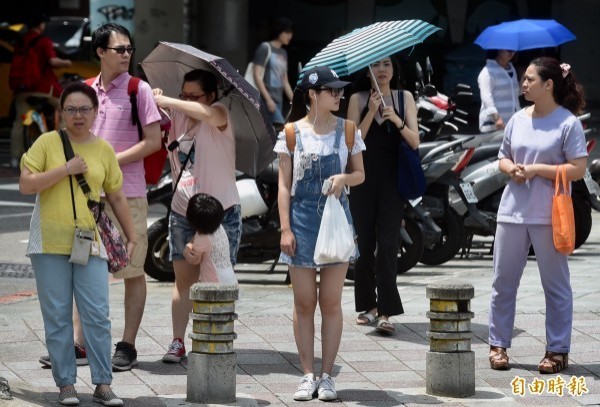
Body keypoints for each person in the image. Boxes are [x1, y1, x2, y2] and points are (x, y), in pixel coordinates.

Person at [19, 82, 135, 406]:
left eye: (85, 109)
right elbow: (26, 185)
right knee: (56, 316)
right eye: (71, 109)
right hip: (48, 243)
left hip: (90, 241)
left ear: (96, 112)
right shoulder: (46, 142)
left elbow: (116, 195)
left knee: (97, 314)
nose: (78, 115)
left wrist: (133, 234)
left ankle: (103, 383)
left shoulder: (104, 150)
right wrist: (65, 169)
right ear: (61, 113)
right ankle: (65, 384)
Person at [488, 57, 587, 374]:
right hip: (511, 212)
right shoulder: (517, 119)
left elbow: (578, 169)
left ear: (549, 85)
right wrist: (512, 169)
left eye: (530, 79)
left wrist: (535, 170)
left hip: (550, 216)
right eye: (524, 78)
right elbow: (503, 157)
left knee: (555, 286)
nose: (523, 83)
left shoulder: (568, 123)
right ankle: (498, 344)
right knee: (503, 283)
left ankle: (557, 350)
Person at [276, 66, 365, 401]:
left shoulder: (349, 130)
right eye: (332, 91)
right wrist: (285, 228)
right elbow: (284, 186)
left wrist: (343, 179)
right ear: (312, 94)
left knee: (330, 302)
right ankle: (307, 375)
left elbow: (360, 175)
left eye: (340, 91)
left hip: (335, 220)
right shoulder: (291, 133)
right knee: (303, 303)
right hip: (300, 220)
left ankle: (327, 376)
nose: (339, 96)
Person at [85, 23, 162, 371]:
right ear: (100, 52)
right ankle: (79, 343)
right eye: (120, 50)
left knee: (132, 270)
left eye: (130, 49)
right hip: (86, 198)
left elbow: (153, 142)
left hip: (127, 195)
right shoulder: (83, 91)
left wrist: (109, 162)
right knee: (82, 268)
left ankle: (127, 345)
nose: (127, 55)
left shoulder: (138, 89)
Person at [152, 68, 241, 363]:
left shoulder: (219, 113)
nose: (186, 99)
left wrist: (172, 102)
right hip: (182, 212)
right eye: (183, 93)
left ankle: (216, 338)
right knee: (183, 281)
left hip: (221, 212)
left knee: (217, 278)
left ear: (211, 96)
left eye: (194, 95)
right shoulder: (174, 117)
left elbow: (205, 114)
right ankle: (178, 341)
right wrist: (157, 102)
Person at [347, 57, 419, 335]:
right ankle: (368, 305)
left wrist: (396, 119)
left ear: (394, 69)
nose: (382, 70)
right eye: (375, 65)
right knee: (365, 244)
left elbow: (415, 141)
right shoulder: (357, 98)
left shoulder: (404, 98)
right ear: (367, 71)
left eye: (387, 64)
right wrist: (371, 111)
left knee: (388, 245)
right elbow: (352, 142)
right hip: (362, 179)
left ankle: (386, 311)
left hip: (393, 183)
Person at [9, 12, 72, 168]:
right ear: (41, 25)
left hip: (22, 90)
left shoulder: (20, 43)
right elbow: (53, 61)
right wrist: (66, 62)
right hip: (43, 89)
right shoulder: (44, 41)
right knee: (64, 109)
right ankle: (60, 148)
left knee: (19, 121)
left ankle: (14, 158)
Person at [183, 193, 238, 285]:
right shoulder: (219, 228)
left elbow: (195, 259)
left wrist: (186, 249)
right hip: (229, 277)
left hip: (214, 282)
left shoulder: (202, 238)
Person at [252, 17, 294, 126]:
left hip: (278, 99)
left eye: (291, 33)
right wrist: (268, 99)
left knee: (272, 132)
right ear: (279, 31)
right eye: (287, 32)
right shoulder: (265, 47)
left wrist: (295, 100)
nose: (290, 36)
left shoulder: (283, 53)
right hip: (266, 99)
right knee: (280, 127)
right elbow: (256, 75)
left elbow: (285, 81)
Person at [478, 49, 520, 133]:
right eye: (508, 50)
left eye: (514, 50)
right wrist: (497, 118)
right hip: (494, 125)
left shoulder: (512, 69)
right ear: (499, 50)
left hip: (510, 125)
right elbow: (486, 97)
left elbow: (514, 94)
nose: (511, 53)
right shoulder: (488, 71)